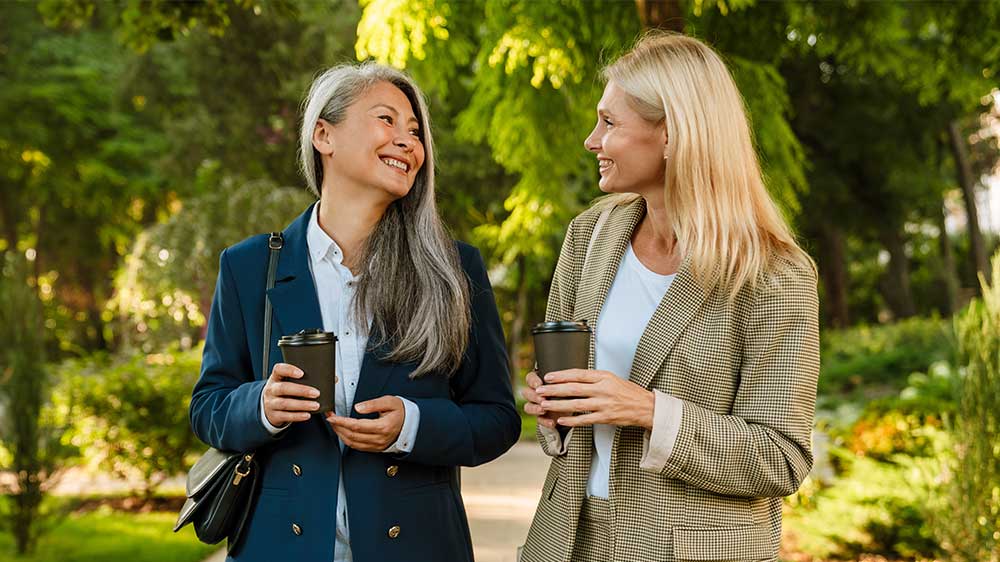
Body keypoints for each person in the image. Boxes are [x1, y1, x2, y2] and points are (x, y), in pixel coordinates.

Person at [189, 62, 520, 562]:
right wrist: (262, 406)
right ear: (324, 135)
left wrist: (412, 425)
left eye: (415, 132)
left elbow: (497, 418)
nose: (408, 142)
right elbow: (208, 406)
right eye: (387, 120)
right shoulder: (249, 266)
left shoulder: (454, 268)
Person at [520, 32, 820, 562]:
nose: (592, 140)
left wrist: (649, 411)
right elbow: (564, 421)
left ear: (672, 133)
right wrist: (552, 412)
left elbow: (781, 457)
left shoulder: (772, 272)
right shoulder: (590, 235)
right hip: (568, 541)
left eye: (609, 123)